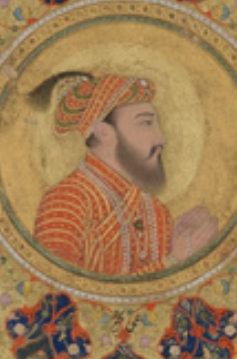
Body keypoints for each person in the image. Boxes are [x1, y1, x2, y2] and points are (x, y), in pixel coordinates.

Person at [30, 72, 218, 276]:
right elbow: (60, 288)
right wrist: (174, 260)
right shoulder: (65, 203)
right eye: (145, 123)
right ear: (103, 132)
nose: (161, 138)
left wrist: (176, 243)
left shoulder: (156, 212)